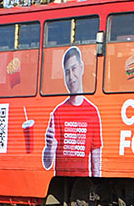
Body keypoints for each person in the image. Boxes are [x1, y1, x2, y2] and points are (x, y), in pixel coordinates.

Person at [42, 45, 102, 176]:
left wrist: (98, 183)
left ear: (82, 68)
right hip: (61, 180)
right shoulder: (58, 112)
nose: (71, 77)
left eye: (74, 69)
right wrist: (49, 146)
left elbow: (96, 157)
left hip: (83, 182)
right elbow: (47, 163)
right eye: (67, 72)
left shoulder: (92, 112)